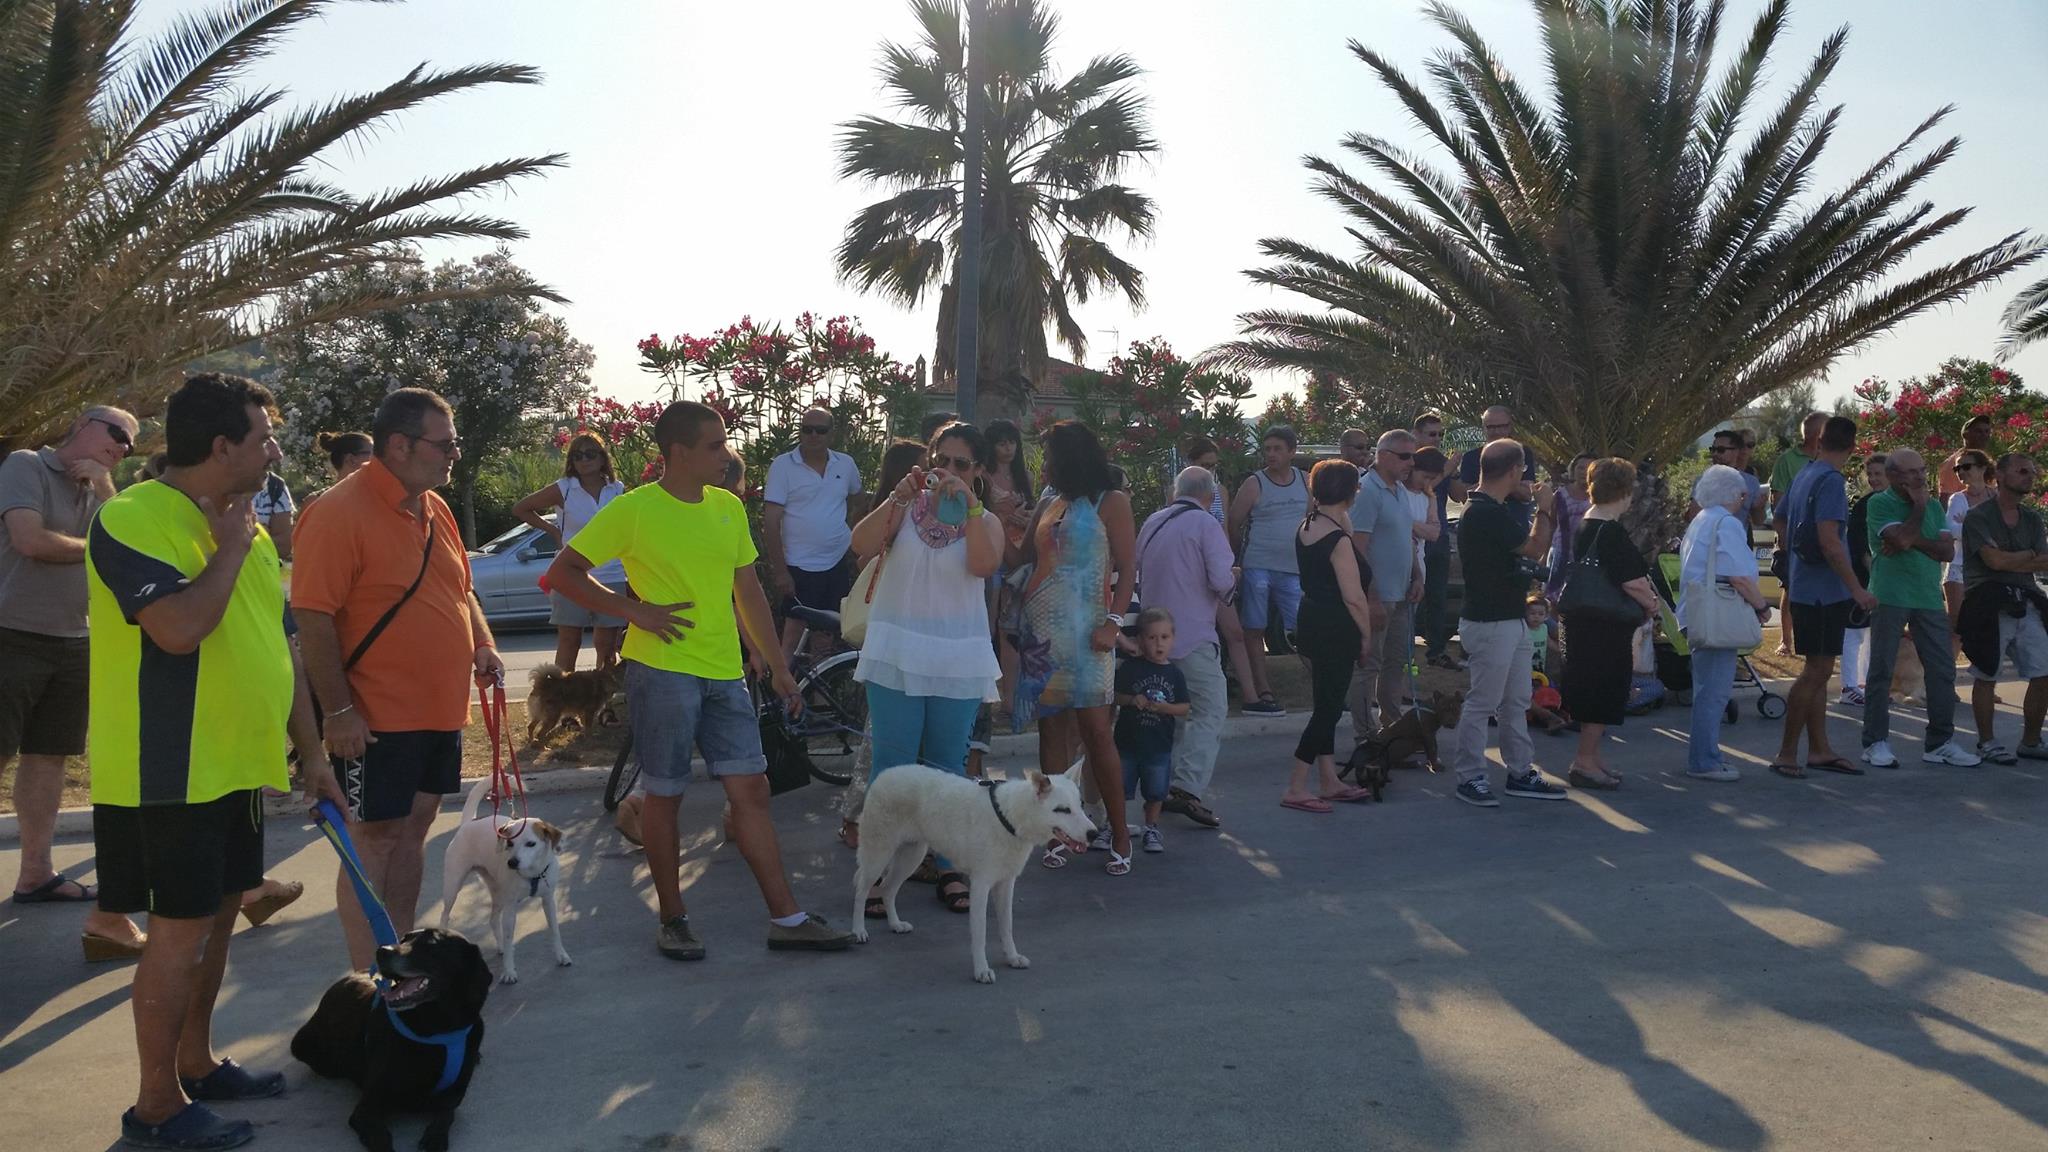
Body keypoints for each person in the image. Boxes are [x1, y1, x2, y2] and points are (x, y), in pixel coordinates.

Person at [86, 373, 341, 1149]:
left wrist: (313, 754)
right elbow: (177, 629)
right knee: (177, 933)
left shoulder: (247, 529)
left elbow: (279, 650)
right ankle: (155, 1107)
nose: (276, 453)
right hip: (170, 772)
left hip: (236, 767)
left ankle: (194, 1064)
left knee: (219, 918)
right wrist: (228, 547)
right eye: (265, 439)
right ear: (223, 446)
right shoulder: (132, 517)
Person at [549, 400, 855, 959]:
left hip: (724, 672)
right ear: (679, 452)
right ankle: (673, 919)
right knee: (665, 796)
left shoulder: (727, 507)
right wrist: (634, 611)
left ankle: (787, 919)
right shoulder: (635, 509)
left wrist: (778, 666)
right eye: (714, 446)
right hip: (661, 673)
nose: (726, 454)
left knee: (752, 791)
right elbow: (563, 572)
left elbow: (749, 592)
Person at [291, 388, 506, 972]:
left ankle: (404, 963)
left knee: (413, 833)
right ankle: (371, 982)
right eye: (445, 444)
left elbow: (461, 590)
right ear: (400, 445)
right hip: (374, 719)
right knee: (376, 841)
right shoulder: (337, 512)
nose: (455, 454)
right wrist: (339, 713)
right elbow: (313, 617)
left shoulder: (434, 507)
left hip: (439, 712)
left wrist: (482, 642)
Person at [1, 404, 145, 958]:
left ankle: (35, 875)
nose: (123, 447)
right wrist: (96, 550)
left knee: (49, 758)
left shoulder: (97, 490)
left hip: (75, 640)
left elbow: (132, 543)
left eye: (130, 444)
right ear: (83, 425)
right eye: (117, 434)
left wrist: (106, 487)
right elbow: (30, 540)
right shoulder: (26, 465)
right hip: (11, 634)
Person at [847, 422, 1003, 913]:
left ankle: (949, 866)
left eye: (962, 464)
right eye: (942, 460)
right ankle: (875, 872)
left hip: (957, 657)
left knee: (947, 769)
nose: (950, 471)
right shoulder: (905, 507)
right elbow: (860, 543)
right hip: (897, 651)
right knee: (891, 768)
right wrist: (896, 498)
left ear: (978, 470)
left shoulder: (987, 521)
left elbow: (982, 565)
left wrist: (970, 507)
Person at [1015, 421, 1139, 873]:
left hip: (1090, 635)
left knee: (1097, 733)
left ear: (1071, 457)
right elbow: (1022, 558)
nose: (1044, 464)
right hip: (1043, 635)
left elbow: (1128, 568)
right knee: (1051, 733)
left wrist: (1113, 623)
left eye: (1049, 456)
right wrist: (988, 515)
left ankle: (1119, 833)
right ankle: (1057, 831)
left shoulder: (1112, 502)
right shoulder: (1049, 500)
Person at [1447, 439, 1565, 807]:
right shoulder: (1485, 512)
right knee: (1482, 702)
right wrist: (1544, 508)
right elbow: (1535, 548)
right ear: (1515, 470)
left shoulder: (1490, 508)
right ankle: (1470, 776)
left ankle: (1520, 771)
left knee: (1516, 700)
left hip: (1509, 618)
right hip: (1491, 621)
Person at [1858, 449, 1978, 769]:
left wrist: (1910, 538)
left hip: (1928, 597)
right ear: (1893, 475)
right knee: (1881, 670)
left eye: (1923, 470)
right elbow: (1898, 541)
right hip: (1890, 595)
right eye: (1912, 472)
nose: (1920, 477)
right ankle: (1875, 742)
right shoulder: (1880, 503)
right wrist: (1919, 509)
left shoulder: (1935, 506)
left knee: (1941, 669)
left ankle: (1940, 743)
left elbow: (1946, 552)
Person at [1770, 416, 1875, 779]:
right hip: (1823, 593)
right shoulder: (1830, 480)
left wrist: (1795, 555)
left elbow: (1779, 518)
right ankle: (1786, 753)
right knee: (1816, 672)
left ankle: (1819, 749)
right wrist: (1856, 588)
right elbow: (1831, 542)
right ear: (1852, 446)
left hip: (1803, 587)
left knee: (1817, 670)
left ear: (1818, 442)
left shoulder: (1806, 473)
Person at [1134, 466, 1237, 830]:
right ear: (1210, 495)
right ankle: (1187, 786)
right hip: (1192, 636)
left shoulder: (1152, 522)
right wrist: (1235, 579)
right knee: (1210, 708)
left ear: (1175, 492)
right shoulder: (1207, 524)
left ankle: (1161, 787)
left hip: (1153, 635)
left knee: (1171, 715)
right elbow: (1221, 581)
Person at [1558, 458, 1660, 790]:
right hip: (1604, 626)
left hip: (1585, 622)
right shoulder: (1610, 531)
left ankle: (1592, 757)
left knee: (1593, 687)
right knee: (1603, 690)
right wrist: (1652, 604)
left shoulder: (1587, 523)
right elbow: (1632, 580)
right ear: (1623, 491)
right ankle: (1585, 761)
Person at [1281, 460, 1376, 812]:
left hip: (1311, 620)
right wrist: (1366, 635)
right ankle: (1296, 786)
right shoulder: (1337, 540)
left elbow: (1340, 521)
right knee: (1329, 709)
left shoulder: (1309, 525)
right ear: (1351, 492)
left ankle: (1328, 779)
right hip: (1337, 626)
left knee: (1326, 702)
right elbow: (1354, 597)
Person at [1678, 465, 1771, 781]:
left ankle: (1704, 756)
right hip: (1717, 614)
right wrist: (1761, 606)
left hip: (1696, 613)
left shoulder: (1701, 519)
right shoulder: (1727, 523)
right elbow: (1738, 576)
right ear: (1736, 495)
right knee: (1714, 692)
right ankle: (1704, 761)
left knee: (1706, 689)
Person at [513, 431, 627, 672]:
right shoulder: (564, 488)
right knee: (569, 641)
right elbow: (522, 508)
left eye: (590, 454)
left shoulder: (617, 490)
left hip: (611, 573)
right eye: (577, 455)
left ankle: (601, 695)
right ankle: (561, 695)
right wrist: (553, 531)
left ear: (602, 458)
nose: (584, 460)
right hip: (570, 574)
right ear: (571, 461)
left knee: (607, 646)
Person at [1960, 453, 2048, 765]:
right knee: (1987, 673)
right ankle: (1987, 743)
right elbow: (1993, 562)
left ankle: (2030, 741)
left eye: (2032, 471)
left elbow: (2044, 560)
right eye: (2022, 471)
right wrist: (2027, 555)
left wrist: (2014, 559)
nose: (2030, 476)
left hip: (2026, 599)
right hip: (1988, 603)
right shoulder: (1980, 517)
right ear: (1999, 475)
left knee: (2044, 671)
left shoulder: (2032, 519)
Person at [764, 407, 862, 662]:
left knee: (826, 636)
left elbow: (855, 499)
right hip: (799, 565)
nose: (813, 435)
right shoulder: (783, 466)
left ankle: (818, 688)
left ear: (832, 434)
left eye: (820, 430)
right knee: (792, 636)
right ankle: (782, 686)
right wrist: (780, 572)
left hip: (836, 562)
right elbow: (771, 522)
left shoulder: (846, 464)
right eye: (807, 430)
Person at [1226, 425, 1307, 715]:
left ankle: (1324, 684)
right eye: (1267, 449)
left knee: (1304, 627)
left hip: (1293, 568)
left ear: (1292, 451)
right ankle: (1262, 688)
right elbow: (1233, 522)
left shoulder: (1305, 480)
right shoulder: (1255, 483)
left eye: (1277, 449)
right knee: (1254, 627)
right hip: (1258, 565)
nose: (1271, 454)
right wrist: (1239, 557)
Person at [1348, 429, 1419, 741]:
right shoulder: (1367, 491)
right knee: (1368, 666)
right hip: (1379, 597)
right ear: (1384, 455)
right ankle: (1366, 735)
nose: (1411, 463)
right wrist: (1371, 597)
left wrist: (1418, 575)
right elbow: (1358, 548)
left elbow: (1406, 537)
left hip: (1402, 595)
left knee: (1395, 663)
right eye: (1405, 456)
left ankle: (1392, 729)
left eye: (1413, 456)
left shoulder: (1399, 489)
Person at [1181, 436, 1260, 713]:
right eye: (1205, 465)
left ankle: (1250, 695)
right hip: (1194, 569)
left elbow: (1224, 528)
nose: (1210, 471)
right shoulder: (1179, 491)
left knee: (1233, 632)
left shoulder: (1220, 491)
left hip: (1217, 564)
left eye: (1213, 466)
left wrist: (1228, 563)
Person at [1114, 608, 1190, 853]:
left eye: (1165, 637)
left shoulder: (1175, 674)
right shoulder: (1131, 668)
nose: (1159, 643)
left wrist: (1166, 707)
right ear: (1139, 640)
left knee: (1156, 791)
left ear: (1173, 638)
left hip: (1159, 746)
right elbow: (1115, 696)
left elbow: (1184, 707)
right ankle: (1116, 825)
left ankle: (1151, 827)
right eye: (1152, 637)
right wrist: (1131, 699)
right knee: (1119, 787)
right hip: (1127, 743)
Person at [1769, 412, 1829, 655]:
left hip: (1822, 536)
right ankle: (1786, 640)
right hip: (1794, 537)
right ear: (1817, 434)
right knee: (1790, 587)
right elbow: (1778, 501)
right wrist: (1784, 538)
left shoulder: (1828, 459)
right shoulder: (1787, 461)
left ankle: (1816, 638)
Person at [1839, 452, 1889, 706]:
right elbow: (1861, 550)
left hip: (1886, 579)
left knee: (1872, 634)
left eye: (1879, 474)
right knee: (1854, 632)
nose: (1874, 479)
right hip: (1862, 578)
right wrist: (1873, 580)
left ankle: (1866, 683)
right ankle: (1848, 686)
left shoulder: (1898, 503)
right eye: (1870, 474)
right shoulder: (1863, 506)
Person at [1413, 412, 1461, 669]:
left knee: (1437, 596)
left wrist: (1454, 473)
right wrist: (1446, 470)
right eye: (1432, 434)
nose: (1437, 439)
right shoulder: (1410, 462)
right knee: (1411, 595)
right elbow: (1422, 488)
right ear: (1417, 434)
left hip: (1439, 536)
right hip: (1416, 536)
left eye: (1441, 434)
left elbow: (1460, 496)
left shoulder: (1443, 462)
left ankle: (1437, 650)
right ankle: (1405, 651)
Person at [1944, 449, 1994, 637]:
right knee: (1958, 626)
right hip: (1959, 568)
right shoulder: (1957, 499)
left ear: (1982, 468)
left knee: (1990, 624)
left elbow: (2004, 532)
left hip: (1991, 567)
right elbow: (1951, 530)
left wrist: (1967, 523)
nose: (1961, 472)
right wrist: (1984, 530)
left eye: (1966, 467)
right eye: (1957, 468)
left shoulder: (1996, 497)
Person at [1694, 430, 1768, 542]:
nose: (1715, 454)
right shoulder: (1703, 480)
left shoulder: (1751, 482)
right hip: (1707, 544)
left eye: (1721, 450)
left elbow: (1758, 521)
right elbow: (1693, 516)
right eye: (1713, 449)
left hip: (1737, 544)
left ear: (1736, 451)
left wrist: (1759, 508)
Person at [1546, 453, 1596, 608]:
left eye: (1589, 468)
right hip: (1561, 552)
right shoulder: (1560, 494)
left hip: (1587, 555)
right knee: (1554, 599)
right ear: (1573, 470)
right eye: (1580, 467)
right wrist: (1544, 554)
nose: (1584, 472)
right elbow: (1551, 524)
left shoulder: (1600, 496)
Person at [1524, 596, 1568, 735]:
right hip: (1524, 671)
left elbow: (1551, 644)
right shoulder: (1523, 630)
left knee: (1546, 691)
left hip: (1539, 672)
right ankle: (1542, 716)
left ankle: (1555, 713)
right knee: (1526, 694)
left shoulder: (1543, 629)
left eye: (1540, 614)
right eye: (1532, 613)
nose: (1536, 617)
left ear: (1546, 616)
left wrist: (1565, 652)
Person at [302, 431, 373, 510]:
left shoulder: (378, 500)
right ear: (351, 459)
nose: (378, 460)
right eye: (373, 454)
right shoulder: (314, 502)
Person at [251, 439, 294, 562]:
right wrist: (263, 534)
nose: (279, 454)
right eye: (264, 440)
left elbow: (284, 545)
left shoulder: (275, 486)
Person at [1938, 413, 1996, 502]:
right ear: (1966, 435)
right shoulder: (1952, 465)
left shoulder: (1985, 459)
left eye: (1987, 431)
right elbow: (1945, 500)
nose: (1984, 435)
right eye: (1978, 431)